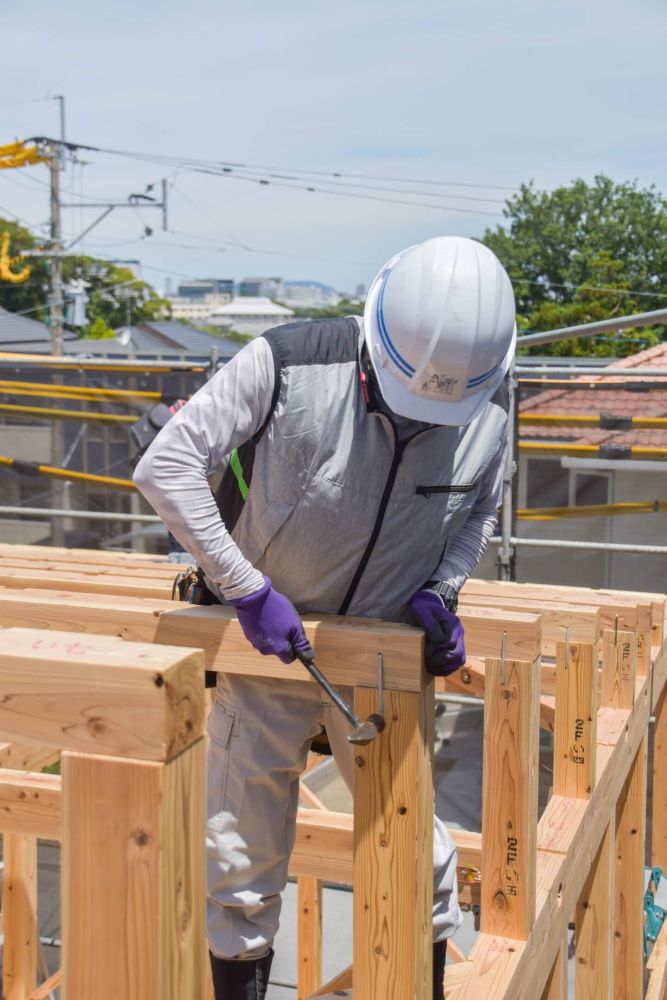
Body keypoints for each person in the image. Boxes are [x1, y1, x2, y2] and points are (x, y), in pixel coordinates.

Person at [133, 235, 516, 1000]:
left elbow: (478, 510)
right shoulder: (288, 360)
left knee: (422, 852)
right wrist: (243, 588)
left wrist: (442, 590)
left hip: (379, 654)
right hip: (267, 648)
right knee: (241, 855)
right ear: (374, 343)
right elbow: (164, 464)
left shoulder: (488, 407)